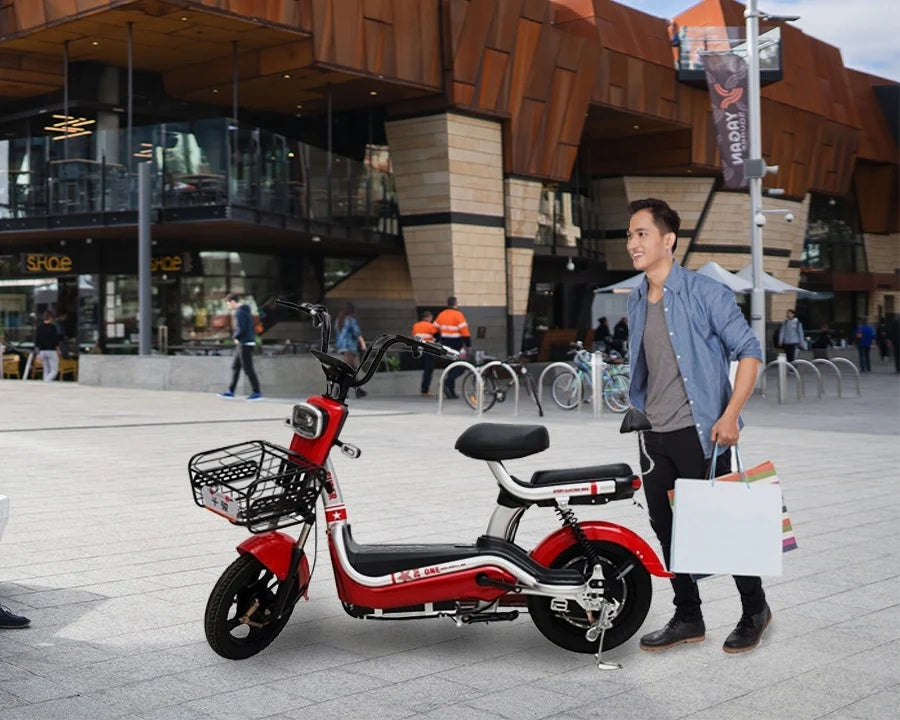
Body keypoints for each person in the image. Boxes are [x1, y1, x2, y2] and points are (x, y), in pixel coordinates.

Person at [625, 198, 768, 654]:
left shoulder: (706, 293)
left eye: (642, 234)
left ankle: (755, 610)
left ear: (668, 241)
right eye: (630, 235)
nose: (633, 243)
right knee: (666, 527)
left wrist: (730, 417)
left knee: (722, 524)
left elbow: (750, 352)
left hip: (701, 430)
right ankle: (688, 615)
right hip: (653, 433)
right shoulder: (634, 297)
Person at [218, 293, 262, 400]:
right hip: (245, 342)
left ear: (233, 302)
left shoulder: (240, 313)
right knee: (236, 367)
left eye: (228, 304)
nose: (228, 307)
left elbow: (241, 328)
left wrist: (235, 337)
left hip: (244, 343)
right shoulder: (246, 311)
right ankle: (230, 391)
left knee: (248, 369)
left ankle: (257, 392)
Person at [434, 296, 471, 399]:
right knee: (460, 368)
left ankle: (451, 392)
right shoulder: (458, 315)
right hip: (456, 345)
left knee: (450, 368)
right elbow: (465, 333)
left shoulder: (441, 314)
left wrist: (438, 339)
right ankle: (446, 382)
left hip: (445, 345)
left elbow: (434, 329)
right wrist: (468, 346)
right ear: (455, 304)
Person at [335, 302, 367, 399]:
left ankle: (356, 390)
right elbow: (356, 332)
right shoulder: (350, 319)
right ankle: (341, 391)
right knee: (349, 369)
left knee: (350, 368)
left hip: (342, 346)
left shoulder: (339, 320)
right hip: (349, 346)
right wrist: (363, 343)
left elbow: (338, 332)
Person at [412, 310, 440, 396]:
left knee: (425, 370)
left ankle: (424, 389)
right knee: (428, 370)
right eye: (431, 318)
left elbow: (414, 337)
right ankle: (425, 390)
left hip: (419, 350)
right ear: (428, 317)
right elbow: (437, 338)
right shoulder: (431, 326)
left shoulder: (415, 326)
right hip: (428, 350)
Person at [34, 311, 61, 381]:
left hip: (42, 351)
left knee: (46, 370)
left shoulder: (39, 328)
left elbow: (37, 342)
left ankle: (46, 384)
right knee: (55, 370)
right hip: (51, 350)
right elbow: (55, 340)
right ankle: (45, 381)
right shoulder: (53, 327)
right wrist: (58, 350)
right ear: (51, 318)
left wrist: (37, 354)